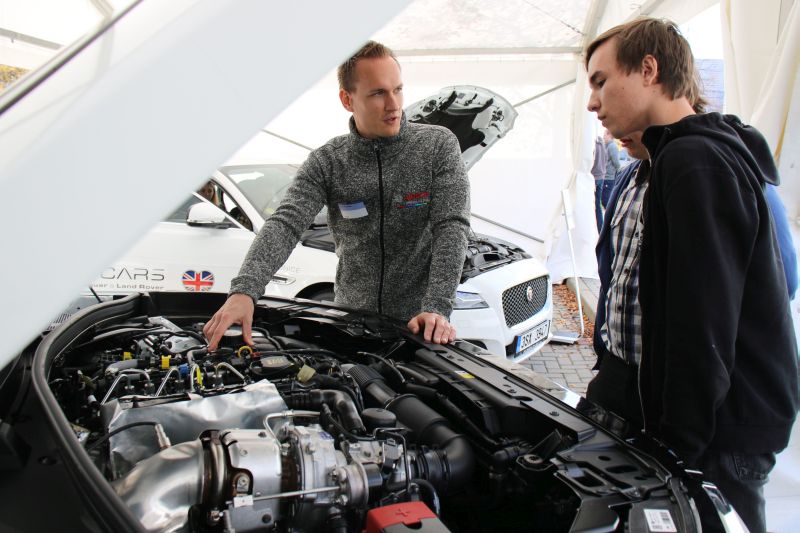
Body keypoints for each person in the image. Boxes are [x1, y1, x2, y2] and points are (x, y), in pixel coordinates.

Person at [585, 18, 798, 533]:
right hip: (657, 409)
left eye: (599, 80)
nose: (592, 102)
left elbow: (701, 326)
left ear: (649, 71)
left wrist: (675, 450)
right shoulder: (649, 164)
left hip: (715, 437)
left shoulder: (696, 161)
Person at [203, 41, 470, 351]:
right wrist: (244, 291)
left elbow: (451, 226)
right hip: (351, 324)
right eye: (378, 93)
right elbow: (285, 224)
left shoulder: (437, 146)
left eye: (398, 89)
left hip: (421, 328)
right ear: (347, 99)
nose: (394, 105)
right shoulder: (328, 162)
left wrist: (437, 307)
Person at [591, 135, 608, 231]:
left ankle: (593, 229)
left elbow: (589, 161)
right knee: (597, 205)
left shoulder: (592, 144)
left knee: (590, 206)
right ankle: (600, 229)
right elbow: (606, 159)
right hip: (601, 177)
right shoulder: (602, 143)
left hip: (593, 177)